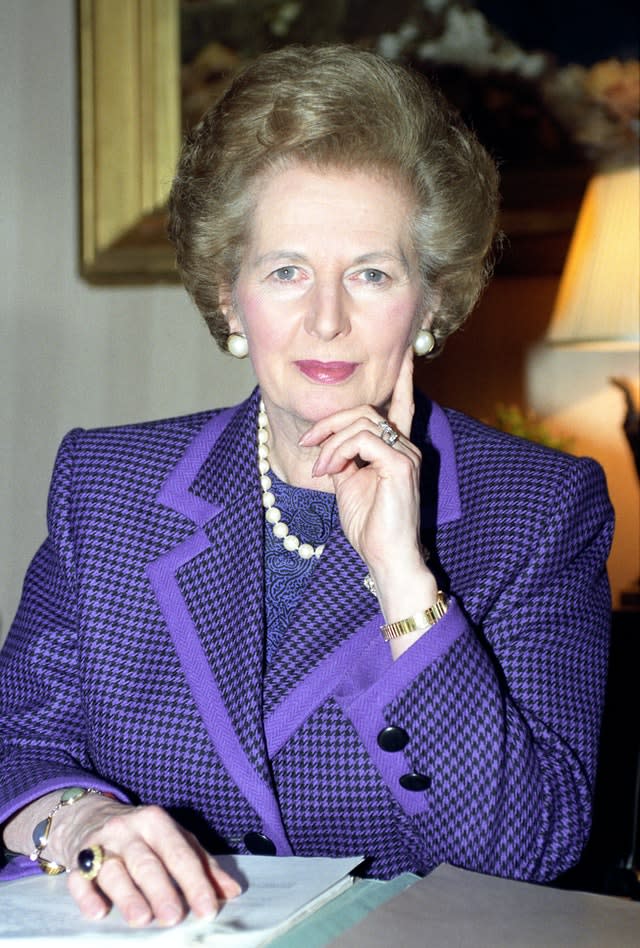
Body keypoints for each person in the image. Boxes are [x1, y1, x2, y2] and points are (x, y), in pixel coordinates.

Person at [0, 44, 614, 928]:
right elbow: (19, 744)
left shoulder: (537, 510)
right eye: (287, 270)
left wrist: (405, 584)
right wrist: (85, 822)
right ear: (228, 296)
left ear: (431, 305)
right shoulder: (108, 487)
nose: (327, 318)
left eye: (371, 273)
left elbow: (529, 848)